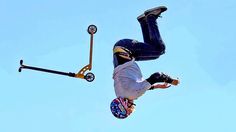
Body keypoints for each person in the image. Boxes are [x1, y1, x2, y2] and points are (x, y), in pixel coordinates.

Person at [110, 6, 180, 119]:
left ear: (124, 106)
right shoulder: (121, 94)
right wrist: (156, 87)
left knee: (159, 50)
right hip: (123, 49)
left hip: (127, 49)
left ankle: (151, 17)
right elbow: (138, 86)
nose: (132, 111)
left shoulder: (133, 94)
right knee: (153, 50)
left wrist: (171, 81)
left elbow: (157, 76)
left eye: (129, 111)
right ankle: (143, 21)